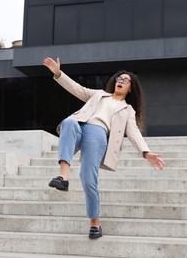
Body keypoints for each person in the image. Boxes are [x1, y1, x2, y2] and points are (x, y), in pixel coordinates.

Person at [42, 57, 165, 239]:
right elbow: (77, 89)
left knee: (88, 179)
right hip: (80, 125)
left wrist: (146, 152)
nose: (120, 82)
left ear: (130, 88)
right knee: (69, 121)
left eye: (125, 80)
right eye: (119, 79)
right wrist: (58, 74)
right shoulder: (99, 94)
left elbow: (134, 133)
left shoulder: (127, 110)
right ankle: (64, 177)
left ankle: (95, 222)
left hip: (98, 134)